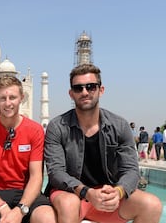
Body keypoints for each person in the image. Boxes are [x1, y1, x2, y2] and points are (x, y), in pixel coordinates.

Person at [44, 64, 162, 223]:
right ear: (71, 94)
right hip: (72, 194)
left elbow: (131, 170)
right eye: (78, 88)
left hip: (107, 196)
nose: (85, 92)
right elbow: (56, 172)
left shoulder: (119, 126)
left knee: (152, 205)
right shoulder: (57, 126)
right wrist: (87, 192)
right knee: (68, 203)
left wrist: (118, 192)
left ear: (101, 90)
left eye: (91, 87)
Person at [0, 76, 56, 223]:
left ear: (22, 97)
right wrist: (1, 206)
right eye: (3, 98)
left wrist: (21, 209)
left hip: (26, 193)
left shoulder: (34, 130)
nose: (8, 103)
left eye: (12, 97)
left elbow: (36, 177)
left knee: (46, 218)